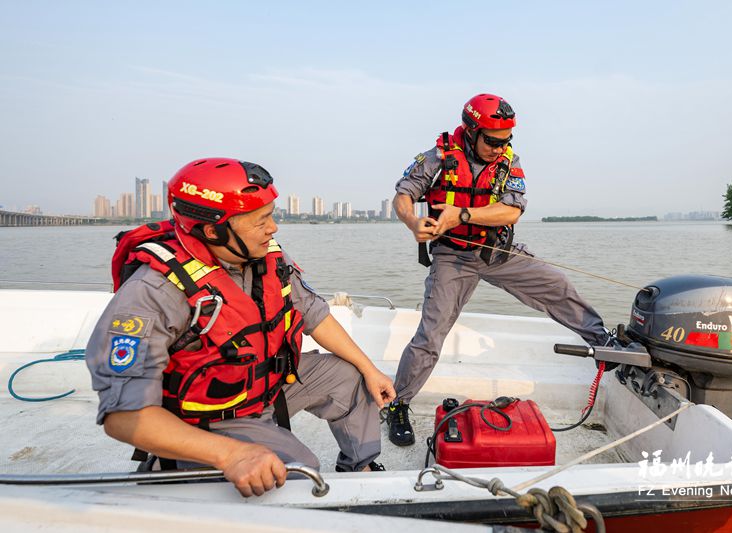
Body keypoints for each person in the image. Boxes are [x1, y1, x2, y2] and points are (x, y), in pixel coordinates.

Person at [85, 158, 396, 497]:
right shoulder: (153, 293)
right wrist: (232, 454)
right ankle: (179, 465)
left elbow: (314, 314)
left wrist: (369, 369)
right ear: (213, 230)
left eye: (272, 214)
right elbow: (123, 417)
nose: (273, 228)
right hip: (213, 413)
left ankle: (360, 469)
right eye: (261, 220)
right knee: (298, 474)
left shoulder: (265, 256)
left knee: (350, 378)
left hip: (265, 385)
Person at [386, 93, 619, 446]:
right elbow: (403, 195)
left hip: (496, 250)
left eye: (506, 141)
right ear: (471, 130)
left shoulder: (509, 161)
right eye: (493, 141)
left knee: (556, 285)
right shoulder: (437, 158)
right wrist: (411, 222)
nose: (500, 148)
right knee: (431, 335)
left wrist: (461, 215)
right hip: (453, 256)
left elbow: (511, 211)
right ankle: (398, 403)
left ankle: (603, 342)